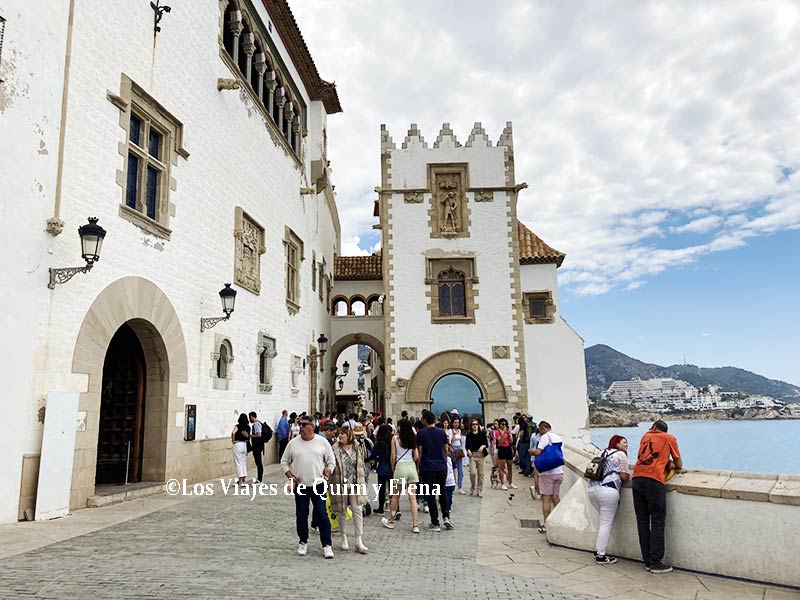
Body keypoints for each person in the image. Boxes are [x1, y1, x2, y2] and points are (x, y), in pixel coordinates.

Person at [280, 415, 336, 559]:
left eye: (304, 425)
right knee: (301, 514)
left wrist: (328, 470)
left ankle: (327, 545)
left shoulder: (322, 442)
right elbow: (284, 462)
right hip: (301, 485)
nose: (301, 427)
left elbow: (331, 461)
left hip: (318, 485)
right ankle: (303, 541)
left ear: (312, 426)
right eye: (300, 424)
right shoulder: (293, 443)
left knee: (322, 514)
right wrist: (290, 476)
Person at [632, 420, 682, 574]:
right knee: (657, 521)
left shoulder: (645, 436)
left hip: (637, 478)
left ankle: (647, 560)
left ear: (653, 427)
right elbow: (679, 462)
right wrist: (671, 463)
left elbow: (646, 455)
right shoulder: (669, 438)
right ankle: (656, 562)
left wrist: (665, 460)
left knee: (642, 521)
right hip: (654, 480)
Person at [588, 435, 630, 564]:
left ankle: (598, 549)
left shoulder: (602, 452)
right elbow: (625, 476)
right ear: (617, 444)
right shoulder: (621, 455)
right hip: (608, 490)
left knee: (603, 522)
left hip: (592, 489)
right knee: (605, 523)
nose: (626, 445)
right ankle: (601, 555)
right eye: (624, 442)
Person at [330, 426, 369, 554]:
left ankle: (359, 540)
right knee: (342, 511)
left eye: (343, 434)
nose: (340, 435)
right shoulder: (334, 448)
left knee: (357, 510)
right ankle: (344, 538)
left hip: (354, 483)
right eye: (339, 433)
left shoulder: (356, 447)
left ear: (349, 435)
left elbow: (361, 464)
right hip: (340, 484)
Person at [381, 418, 420, 533]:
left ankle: (391, 521)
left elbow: (393, 456)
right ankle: (415, 525)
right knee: (412, 498)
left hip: (400, 468)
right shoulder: (413, 438)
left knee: (395, 497)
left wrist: (394, 467)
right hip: (411, 468)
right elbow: (416, 456)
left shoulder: (395, 439)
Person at [416, 410, 451, 531]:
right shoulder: (442, 432)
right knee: (442, 492)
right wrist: (444, 461)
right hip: (441, 466)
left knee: (430, 494)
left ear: (425, 420)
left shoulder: (421, 433)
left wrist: (418, 466)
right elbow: (446, 448)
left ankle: (435, 522)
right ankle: (446, 516)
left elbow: (420, 452)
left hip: (428, 467)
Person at [532, 421, 563, 533]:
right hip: (559, 472)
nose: (540, 434)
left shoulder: (545, 437)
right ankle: (560, 522)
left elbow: (538, 452)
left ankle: (546, 524)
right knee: (556, 497)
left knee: (546, 498)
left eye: (540, 431)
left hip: (547, 473)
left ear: (544, 429)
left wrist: (531, 452)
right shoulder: (558, 437)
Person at [371, 424, 394, 514]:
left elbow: (373, 455)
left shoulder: (378, 444)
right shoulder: (391, 443)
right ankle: (395, 507)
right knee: (392, 488)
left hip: (381, 468)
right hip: (391, 467)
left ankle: (381, 507)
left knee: (381, 488)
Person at [465, 419, 488, 496]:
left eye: (476, 424)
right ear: (471, 426)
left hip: (480, 455)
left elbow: (486, 444)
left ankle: (479, 490)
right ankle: (472, 487)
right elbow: (467, 446)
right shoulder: (469, 435)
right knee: (472, 473)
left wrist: (482, 446)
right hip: (473, 455)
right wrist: (468, 450)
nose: (475, 426)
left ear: (478, 425)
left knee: (481, 474)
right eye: (473, 424)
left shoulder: (482, 434)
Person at [493, 419, 516, 490]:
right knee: (501, 468)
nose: (504, 425)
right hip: (502, 449)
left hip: (508, 449)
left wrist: (510, 436)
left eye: (505, 424)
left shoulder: (508, 432)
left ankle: (510, 482)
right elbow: (500, 441)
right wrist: (503, 434)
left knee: (510, 467)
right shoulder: (497, 432)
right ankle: (502, 483)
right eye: (502, 424)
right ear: (500, 424)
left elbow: (511, 441)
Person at [231, 413, 250, 484]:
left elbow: (233, 433)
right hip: (245, 445)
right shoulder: (248, 427)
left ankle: (240, 480)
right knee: (243, 462)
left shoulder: (237, 426)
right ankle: (244, 479)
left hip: (238, 444)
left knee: (238, 462)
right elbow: (248, 436)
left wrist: (233, 441)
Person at [449, 417, 466, 494]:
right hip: (453, 449)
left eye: (457, 422)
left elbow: (461, 441)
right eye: (455, 422)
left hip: (459, 449)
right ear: (452, 423)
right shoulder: (450, 431)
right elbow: (450, 442)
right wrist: (454, 434)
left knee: (460, 470)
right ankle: (452, 486)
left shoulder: (459, 430)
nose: (456, 424)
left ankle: (460, 487)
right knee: (452, 469)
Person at [248, 411, 264, 483]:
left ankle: (260, 479)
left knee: (258, 462)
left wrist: (250, 436)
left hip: (257, 446)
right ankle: (259, 478)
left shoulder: (256, 424)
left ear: (252, 416)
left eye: (250, 417)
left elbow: (259, 434)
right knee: (259, 462)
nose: (249, 419)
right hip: (259, 445)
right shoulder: (259, 423)